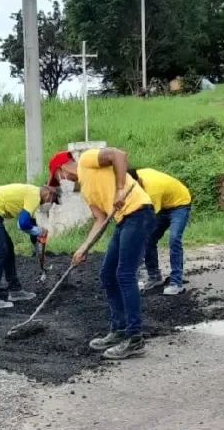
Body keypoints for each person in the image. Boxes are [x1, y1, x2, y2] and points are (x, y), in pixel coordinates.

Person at [47, 148, 155, 360]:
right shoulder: (86, 191)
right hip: (123, 220)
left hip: (139, 212)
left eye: (59, 177)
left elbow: (120, 155)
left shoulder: (87, 160)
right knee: (107, 274)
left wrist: (120, 189)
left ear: (61, 168)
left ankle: (135, 338)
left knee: (124, 275)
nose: (63, 181)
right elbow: (99, 219)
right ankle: (119, 330)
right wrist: (83, 248)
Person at [0, 184, 61, 310]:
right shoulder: (34, 196)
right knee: (0, 251)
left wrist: (38, 246)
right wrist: (39, 231)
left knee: (7, 249)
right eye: (52, 201)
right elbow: (23, 224)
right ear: (48, 194)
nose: (51, 204)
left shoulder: (32, 195)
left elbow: (30, 224)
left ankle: (15, 291)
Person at [128, 168, 192, 295]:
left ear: (138, 182)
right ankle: (154, 277)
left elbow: (148, 219)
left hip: (180, 204)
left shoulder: (153, 191)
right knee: (148, 240)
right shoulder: (132, 178)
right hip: (163, 203)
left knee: (174, 239)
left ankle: (176, 283)